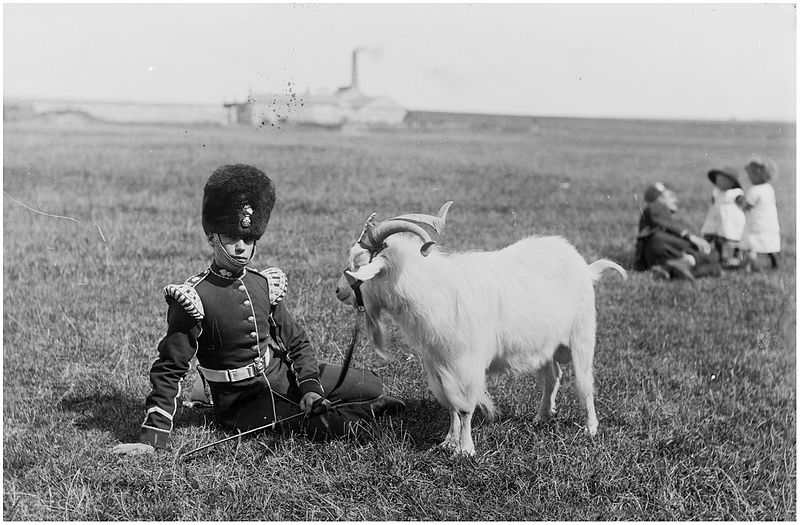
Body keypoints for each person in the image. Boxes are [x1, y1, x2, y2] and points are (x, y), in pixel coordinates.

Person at [112, 164, 403, 456]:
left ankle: (350, 401)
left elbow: (296, 342)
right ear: (213, 238)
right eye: (230, 238)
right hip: (242, 403)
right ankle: (368, 413)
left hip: (279, 374)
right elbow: (169, 370)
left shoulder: (262, 283)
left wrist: (310, 388)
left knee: (370, 383)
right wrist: (152, 437)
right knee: (333, 425)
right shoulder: (193, 296)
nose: (240, 247)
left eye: (248, 239)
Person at [634, 182, 721, 281]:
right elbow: (666, 225)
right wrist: (690, 237)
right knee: (712, 252)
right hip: (659, 243)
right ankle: (690, 261)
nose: (676, 200)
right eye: (671, 196)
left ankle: (671, 269)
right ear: (659, 198)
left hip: (655, 256)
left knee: (715, 268)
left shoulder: (660, 212)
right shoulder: (654, 206)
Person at [737, 157, 781, 271]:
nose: (749, 178)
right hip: (769, 223)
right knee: (768, 244)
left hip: (756, 224)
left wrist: (740, 200)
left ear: (759, 175)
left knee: (752, 245)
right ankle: (774, 262)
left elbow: (748, 205)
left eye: (751, 175)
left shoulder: (754, 190)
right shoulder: (769, 188)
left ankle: (750, 266)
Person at [700, 167, 746, 268]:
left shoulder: (735, 192)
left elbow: (742, 202)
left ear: (732, 182)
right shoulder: (716, 191)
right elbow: (714, 202)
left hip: (731, 220)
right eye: (718, 179)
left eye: (723, 180)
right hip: (717, 220)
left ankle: (736, 256)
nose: (719, 182)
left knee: (734, 237)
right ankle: (720, 256)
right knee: (717, 237)